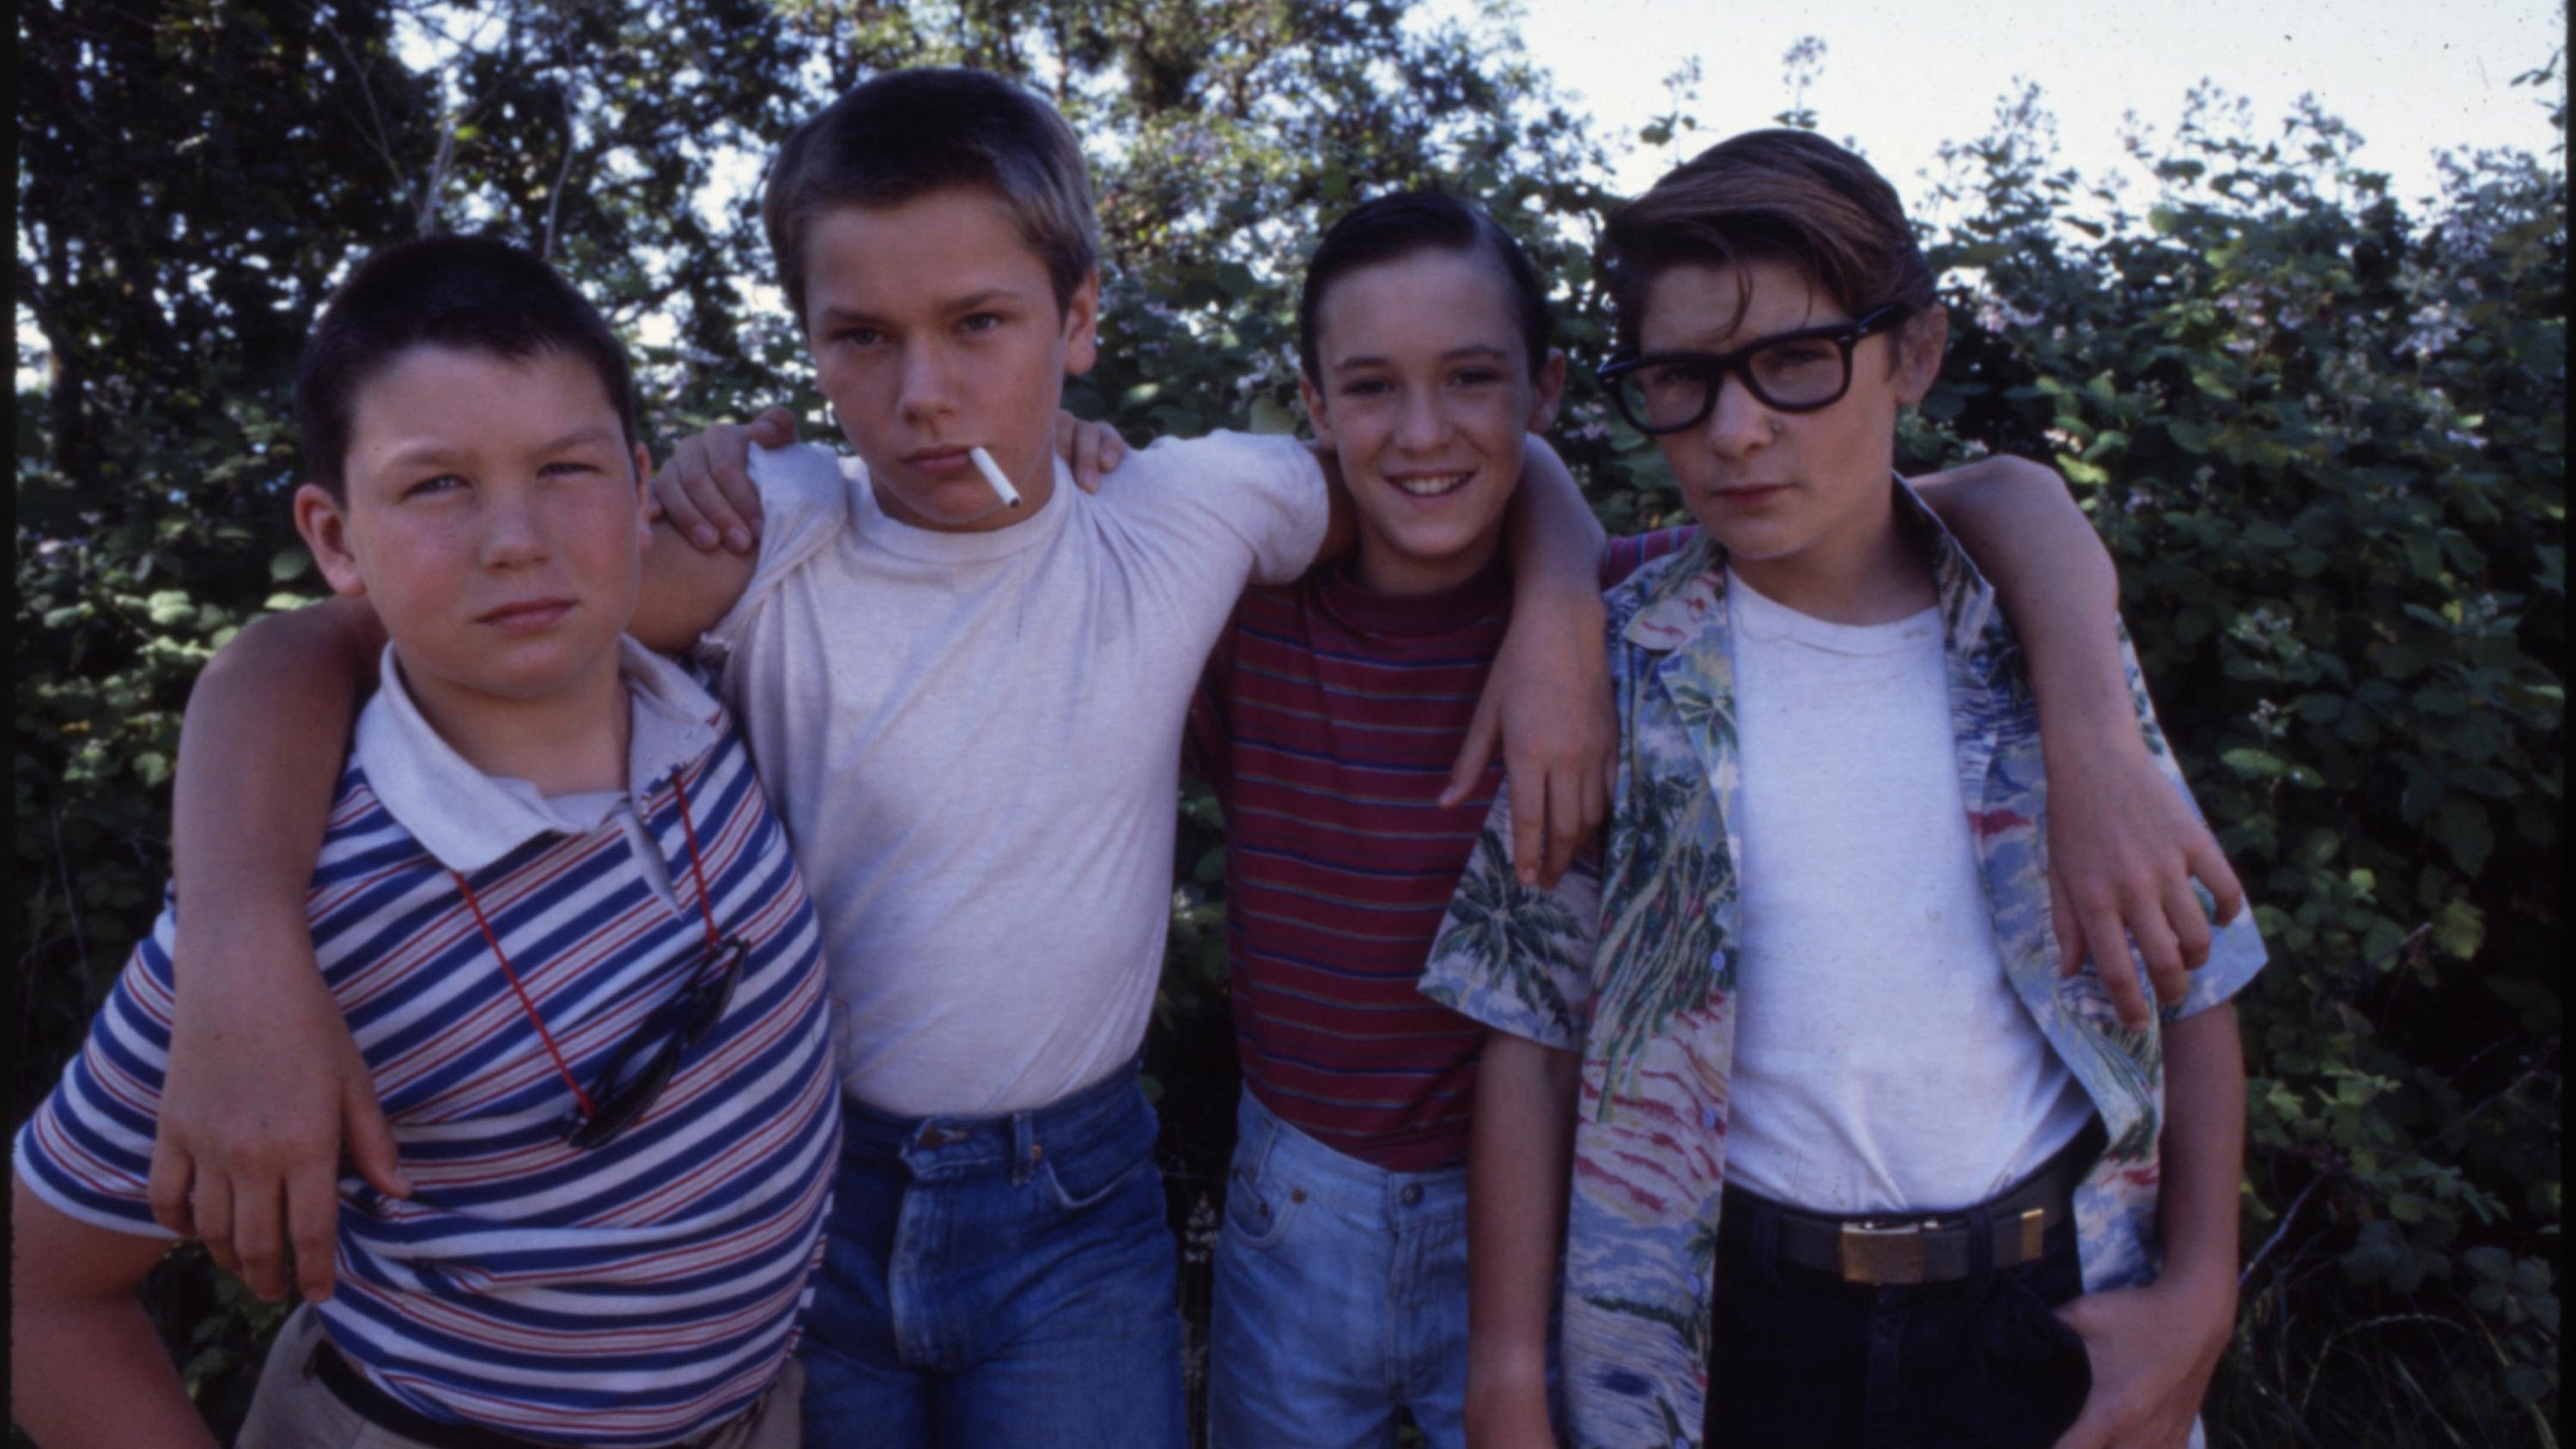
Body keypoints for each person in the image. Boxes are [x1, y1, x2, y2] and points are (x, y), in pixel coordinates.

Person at [140, 70, 1612, 1449]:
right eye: (863, 337)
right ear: (809, 342)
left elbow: (1448, 467)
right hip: (798, 1205)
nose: (924, 394)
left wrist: (1560, 611)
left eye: (980, 324)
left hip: (1076, 1217)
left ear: (1079, 317)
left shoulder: (1191, 512)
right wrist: (241, 943)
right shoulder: (770, 532)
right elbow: (319, 646)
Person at [1424, 129, 2263, 1449]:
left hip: (2045, 1315)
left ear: (1913, 355)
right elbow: (1529, 1038)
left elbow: (2193, 977)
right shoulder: (1619, 671)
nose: (1737, 429)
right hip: (1732, 1340)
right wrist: (1509, 1380)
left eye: (1799, 360)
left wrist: (2204, 1291)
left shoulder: (2045, 655)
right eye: (1682, 378)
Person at [9, 235, 837, 1449]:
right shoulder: (288, 928)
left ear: (638, 487)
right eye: (438, 484)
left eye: (565, 468)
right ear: (335, 537)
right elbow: (38, 1290)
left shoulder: (710, 687)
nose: (517, 538)